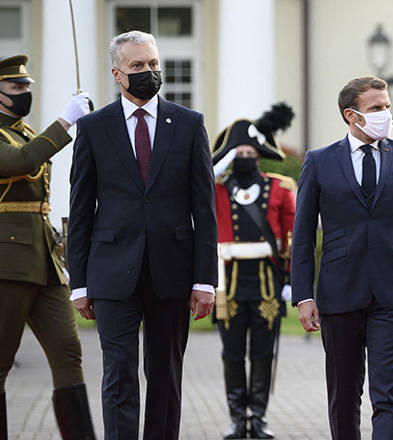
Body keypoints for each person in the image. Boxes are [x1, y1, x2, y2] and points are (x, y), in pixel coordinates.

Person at [68, 30, 218, 440]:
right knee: (118, 374)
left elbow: (204, 210)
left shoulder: (189, 125)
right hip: (112, 272)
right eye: (138, 66)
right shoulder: (94, 128)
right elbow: (80, 211)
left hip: (173, 271)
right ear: (118, 74)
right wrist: (77, 282)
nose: (149, 72)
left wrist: (205, 280)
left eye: (153, 64)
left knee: (166, 376)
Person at [290, 75, 393, 440]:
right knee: (343, 396)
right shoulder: (320, 161)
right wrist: (303, 294)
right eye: (376, 108)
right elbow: (303, 234)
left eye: (387, 106)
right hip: (339, 293)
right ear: (351, 115)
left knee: (389, 395)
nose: (385, 114)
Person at [0, 54, 95, 439]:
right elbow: (20, 162)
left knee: (68, 351)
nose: (24, 93)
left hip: (42, 259)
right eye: (16, 87)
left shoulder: (23, 131)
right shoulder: (16, 139)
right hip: (6, 261)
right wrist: (65, 120)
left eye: (26, 87)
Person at [210, 103, 296, 439]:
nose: (244, 157)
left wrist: (290, 280)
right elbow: (195, 181)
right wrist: (223, 162)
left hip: (266, 280)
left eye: (249, 152)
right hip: (227, 282)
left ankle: (258, 416)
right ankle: (236, 416)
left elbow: (291, 236)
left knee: (263, 351)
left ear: (259, 155)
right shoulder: (217, 187)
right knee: (232, 352)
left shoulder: (279, 188)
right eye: (238, 152)